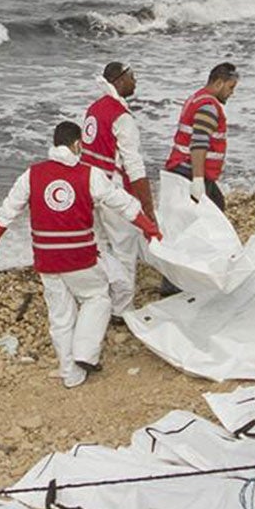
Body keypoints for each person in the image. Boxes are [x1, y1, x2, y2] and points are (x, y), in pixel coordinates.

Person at [0, 120, 160, 387]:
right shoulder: (89, 175)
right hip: (80, 258)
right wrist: (149, 228)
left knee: (60, 316)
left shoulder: (31, 175)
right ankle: (85, 354)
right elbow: (122, 203)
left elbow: (8, 211)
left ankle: (70, 374)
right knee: (97, 298)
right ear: (77, 144)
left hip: (46, 260)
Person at [82, 61, 154, 317]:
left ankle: (100, 296)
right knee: (124, 247)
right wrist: (147, 207)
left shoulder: (94, 108)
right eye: (132, 77)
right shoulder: (121, 117)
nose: (136, 81)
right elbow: (133, 165)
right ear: (120, 80)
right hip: (110, 188)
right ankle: (122, 309)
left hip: (88, 185)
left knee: (100, 245)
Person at [163, 62, 240, 210]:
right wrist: (198, 180)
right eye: (231, 87)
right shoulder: (208, 107)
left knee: (215, 206)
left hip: (181, 168)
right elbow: (199, 143)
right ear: (219, 83)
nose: (232, 93)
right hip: (190, 171)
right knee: (210, 215)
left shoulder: (196, 99)